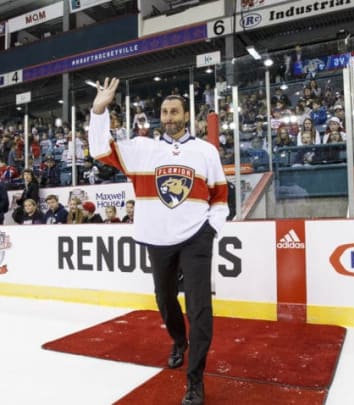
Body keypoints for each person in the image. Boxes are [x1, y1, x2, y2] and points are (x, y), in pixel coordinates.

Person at [88, 77, 228, 405]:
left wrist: (211, 229)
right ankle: (179, 342)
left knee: (200, 308)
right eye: (164, 112)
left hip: (196, 238)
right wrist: (99, 110)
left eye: (174, 111)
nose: (168, 117)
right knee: (165, 301)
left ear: (186, 115)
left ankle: (194, 380)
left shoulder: (206, 151)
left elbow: (221, 196)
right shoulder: (142, 149)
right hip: (158, 239)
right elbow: (98, 150)